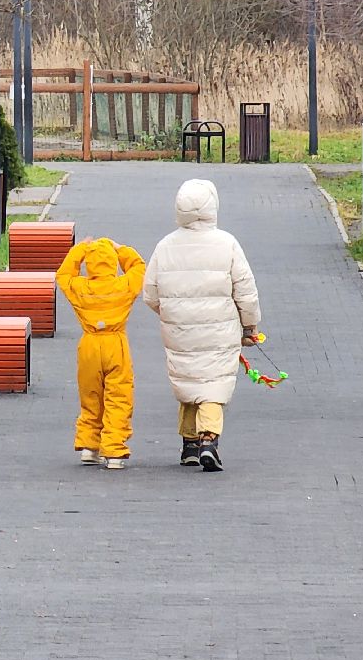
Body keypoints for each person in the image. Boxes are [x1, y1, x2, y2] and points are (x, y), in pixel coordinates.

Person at [142, 178, 260, 473]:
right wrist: (250, 325)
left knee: (188, 381)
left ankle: (189, 444)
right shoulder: (227, 243)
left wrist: (169, 312)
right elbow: (245, 290)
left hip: (179, 329)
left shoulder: (165, 246)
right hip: (220, 331)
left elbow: (150, 293)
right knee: (211, 387)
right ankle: (209, 441)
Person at [56, 237, 147, 469]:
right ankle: (114, 450)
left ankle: (89, 445)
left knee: (91, 396)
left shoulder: (81, 288)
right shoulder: (122, 286)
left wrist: (80, 250)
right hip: (115, 344)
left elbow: (63, 275)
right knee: (119, 396)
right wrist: (121, 248)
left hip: (89, 344)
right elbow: (139, 267)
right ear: (112, 263)